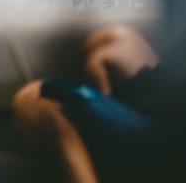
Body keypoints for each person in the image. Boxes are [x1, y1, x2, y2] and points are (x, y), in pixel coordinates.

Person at [12, 24, 167, 183]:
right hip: (176, 112)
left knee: (34, 96)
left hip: (178, 146)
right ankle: (104, 130)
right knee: (114, 39)